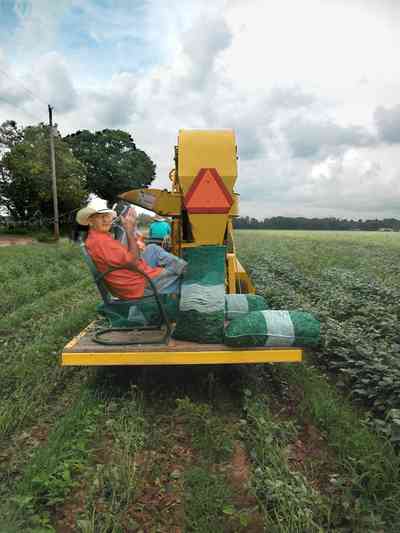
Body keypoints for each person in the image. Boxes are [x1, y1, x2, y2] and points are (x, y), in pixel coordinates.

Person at [76, 198, 187, 300]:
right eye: (100, 216)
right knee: (185, 279)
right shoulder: (100, 242)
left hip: (131, 276)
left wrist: (131, 232)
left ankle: (183, 268)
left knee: (152, 248)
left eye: (107, 216)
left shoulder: (100, 236)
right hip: (138, 284)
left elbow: (126, 257)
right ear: (90, 221)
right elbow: (133, 261)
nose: (105, 220)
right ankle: (188, 274)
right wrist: (129, 230)